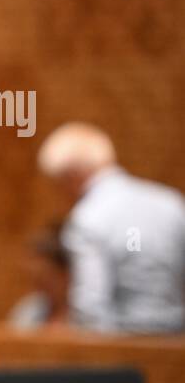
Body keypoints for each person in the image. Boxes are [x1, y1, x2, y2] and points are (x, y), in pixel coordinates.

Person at [37, 122, 185, 333]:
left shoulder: (88, 218)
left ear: (71, 176)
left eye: (59, 185)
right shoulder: (172, 203)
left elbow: (91, 309)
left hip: (125, 351)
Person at [7, 221, 70, 328]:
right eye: (37, 281)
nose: (42, 289)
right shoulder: (28, 311)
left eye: (47, 280)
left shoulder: (90, 314)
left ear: (66, 272)